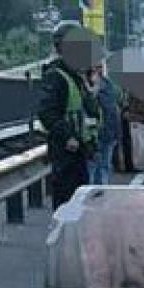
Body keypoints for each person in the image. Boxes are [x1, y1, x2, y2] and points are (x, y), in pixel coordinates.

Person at [38, 22, 102, 209]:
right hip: (66, 152)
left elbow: (87, 111)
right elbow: (47, 112)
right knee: (67, 205)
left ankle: (73, 236)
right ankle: (62, 237)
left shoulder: (76, 77)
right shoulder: (56, 77)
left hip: (80, 151)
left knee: (79, 205)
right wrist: (68, 137)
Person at [87, 61, 123, 185]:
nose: (99, 70)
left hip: (108, 130)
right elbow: (90, 99)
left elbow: (116, 105)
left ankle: (102, 192)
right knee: (96, 166)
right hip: (96, 132)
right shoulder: (91, 84)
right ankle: (96, 193)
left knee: (104, 165)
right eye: (96, 67)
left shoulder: (107, 83)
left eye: (100, 67)